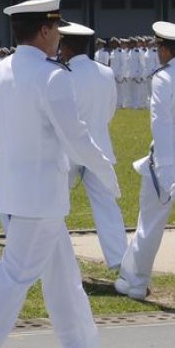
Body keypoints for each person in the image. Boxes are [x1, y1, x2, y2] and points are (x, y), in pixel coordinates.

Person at [0, 0, 118, 348]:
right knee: (13, 277)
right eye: (56, 28)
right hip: (42, 197)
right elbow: (75, 136)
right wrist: (105, 168)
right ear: (44, 30)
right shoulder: (52, 76)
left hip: (18, 194)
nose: (59, 35)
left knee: (64, 277)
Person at [116, 21, 175, 299]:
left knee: (149, 225)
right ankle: (134, 281)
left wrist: (165, 172)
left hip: (167, 164)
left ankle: (136, 282)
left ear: (163, 49)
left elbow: (161, 126)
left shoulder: (163, 78)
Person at [57, 23, 126, 270]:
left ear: (65, 46)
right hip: (99, 146)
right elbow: (109, 110)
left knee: (55, 204)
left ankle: (55, 258)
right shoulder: (105, 73)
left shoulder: (62, 74)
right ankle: (119, 259)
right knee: (107, 206)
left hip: (68, 149)